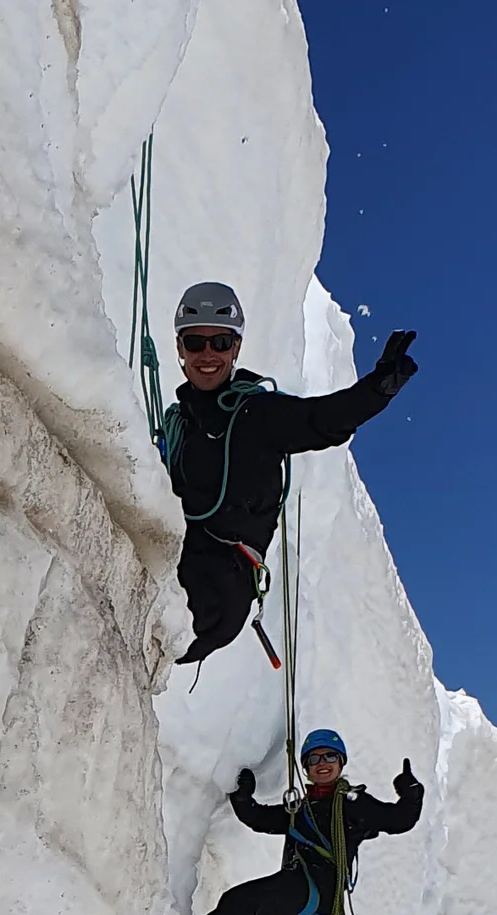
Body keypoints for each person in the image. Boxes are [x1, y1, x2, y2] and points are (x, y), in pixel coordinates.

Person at [158, 285, 419, 667]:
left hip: (218, 587)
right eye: (196, 342)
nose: (208, 354)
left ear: (236, 348)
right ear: (180, 349)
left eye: (221, 341)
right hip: (180, 563)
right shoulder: (178, 423)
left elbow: (321, 420)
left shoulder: (256, 414)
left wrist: (377, 389)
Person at [152, 729, 424, 915]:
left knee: (237, 904)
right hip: (296, 889)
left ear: (341, 762)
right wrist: (243, 797)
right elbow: (261, 820)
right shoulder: (300, 809)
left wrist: (411, 794)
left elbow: (399, 820)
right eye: (314, 758)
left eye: (330, 757)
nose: (322, 763)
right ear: (306, 767)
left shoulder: (354, 803)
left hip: (317, 891)